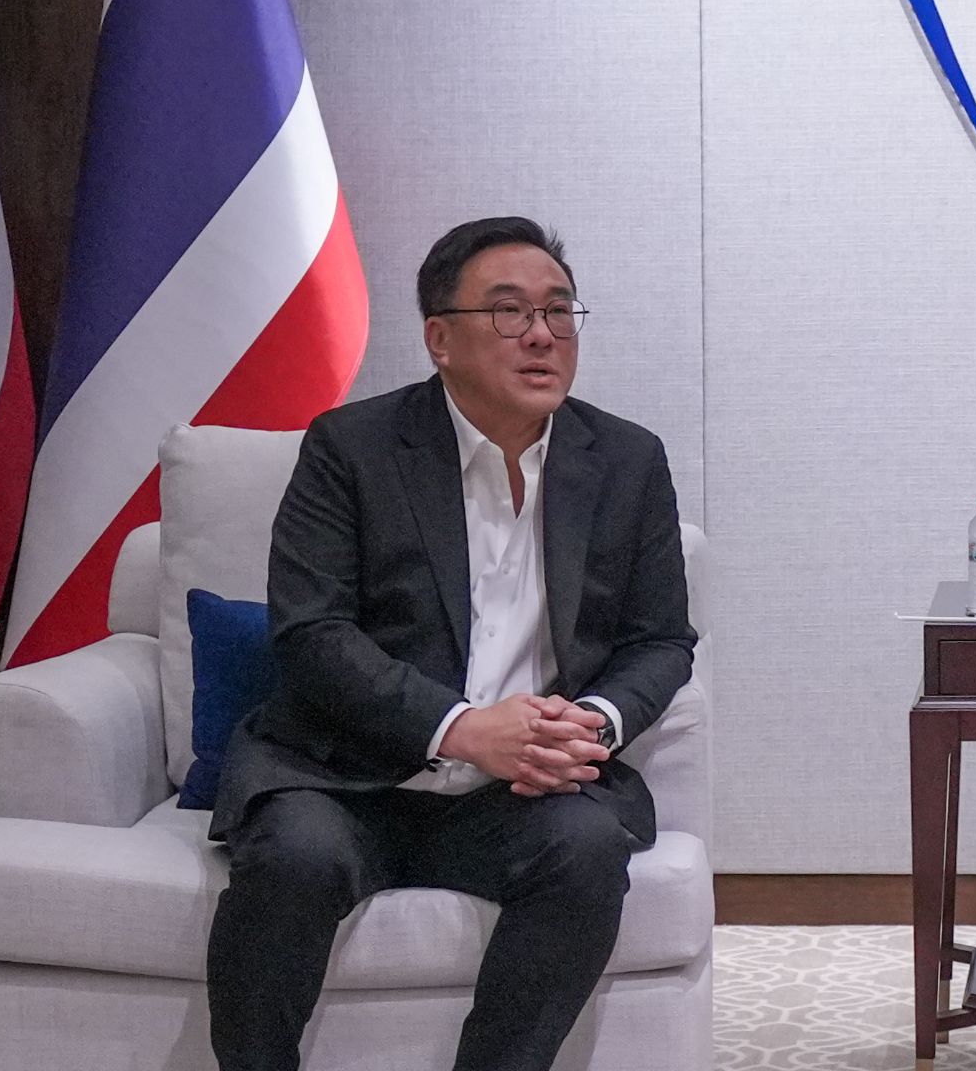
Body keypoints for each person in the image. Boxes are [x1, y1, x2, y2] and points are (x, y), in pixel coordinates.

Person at [206, 216, 697, 1071]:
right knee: (294, 858)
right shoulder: (351, 448)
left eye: (559, 310)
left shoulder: (626, 459)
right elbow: (312, 633)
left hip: (524, 792)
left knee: (586, 852)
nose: (542, 334)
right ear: (440, 338)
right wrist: (463, 729)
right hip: (349, 777)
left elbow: (660, 640)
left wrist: (589, 724)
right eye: (509, 311)